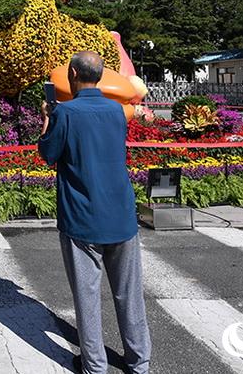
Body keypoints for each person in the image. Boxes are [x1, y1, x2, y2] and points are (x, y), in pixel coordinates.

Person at [38, 51, 151, 374]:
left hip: (82, 215)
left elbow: (48, 153)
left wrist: (47, 118)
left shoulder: (66, 113)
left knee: (88, 297)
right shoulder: (117, 111)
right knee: (129, 294)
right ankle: (139, 361)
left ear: (72, 73)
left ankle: (95, 366)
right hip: (121, 214)